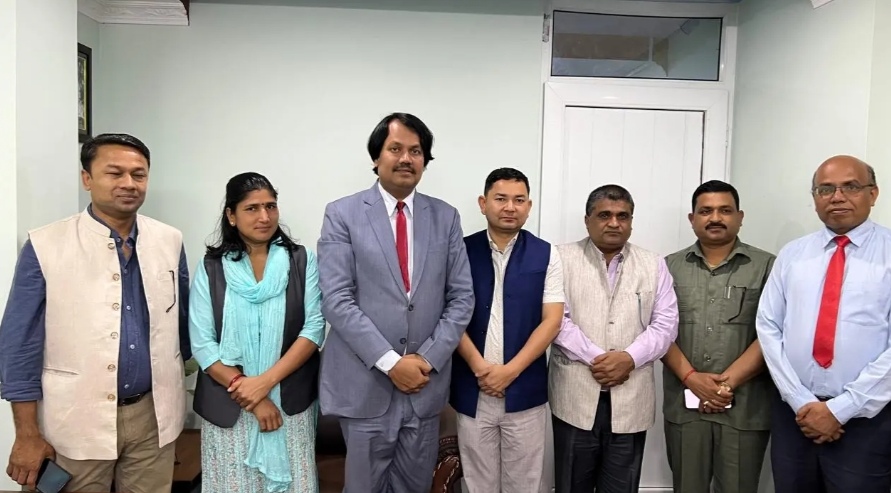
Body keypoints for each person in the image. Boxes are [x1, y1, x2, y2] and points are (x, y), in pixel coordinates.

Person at [0, 133, 190, 493]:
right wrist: (26, 434)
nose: (129, 183)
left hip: (152, 419)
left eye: (139, 174)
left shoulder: (170, 239)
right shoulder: (46, 244)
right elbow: (19, 345)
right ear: (87, 178)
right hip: (75, 421)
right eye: (114, 173)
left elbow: (180, 327)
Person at [317, 112, 475, 493]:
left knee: (414, 487)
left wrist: (426, 360)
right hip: (366, 385)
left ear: (425, 161)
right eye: (395, 149)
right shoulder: (342, 214)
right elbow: (336, 300)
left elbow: (461, 297)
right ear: (376, 157)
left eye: (416, 151)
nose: (406, 158)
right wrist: (391, 363)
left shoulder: (446, 217)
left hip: (424, 386)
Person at [757, 155, 891, 493]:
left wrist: (841, 409)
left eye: (851, 187)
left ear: (873, 193)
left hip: (867, 419)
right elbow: (768, 326)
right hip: (795, 416)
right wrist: (801, 401)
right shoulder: (793, 254)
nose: (837, 197)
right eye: (825, 189)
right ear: (815, 197)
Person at [188, 172, 324, 493]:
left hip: (289, 405)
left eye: (270, 206)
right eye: (252, 208)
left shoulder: (301, 261)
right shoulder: (211, 267)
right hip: (229, 405)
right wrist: (251, 394)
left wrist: (263, 384)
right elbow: (202, 344)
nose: (264, 217)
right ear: (231, 215)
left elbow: (314, 329)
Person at [550, 184, 678, 493]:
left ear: (631, 221)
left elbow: (666, 324)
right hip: (574, 397)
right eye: (604, 215)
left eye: (623, 216)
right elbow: (556, 320)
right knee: (571, 485)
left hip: (631, 398)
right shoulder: (560, 258)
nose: (614, 223)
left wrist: (629, 358)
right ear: (587, 220)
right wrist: (599, 359)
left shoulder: (653, 264)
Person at [450, 168, 564, 492]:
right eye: (501, 199)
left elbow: (552, 321)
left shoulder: (546, 253)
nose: (510, 207)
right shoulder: (459, 251)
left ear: (529, 206)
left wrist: (508, 372)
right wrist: (481, 369)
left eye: (519, 200)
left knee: (525, 482)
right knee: (478, 482)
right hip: (473, 387)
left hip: (525, 388)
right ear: (483, 203)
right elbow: (449, 316)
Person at [661, 180, 776, 493]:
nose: (715, 218)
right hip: (685, 405)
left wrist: (724, 386)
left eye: (725, 210)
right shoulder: (667, 267)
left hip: (745, 407)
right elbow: (658, 331)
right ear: (692, 218)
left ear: (740, 216)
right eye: (706, 211)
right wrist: (693, 380)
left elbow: (774, 333)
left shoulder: (767, 266)